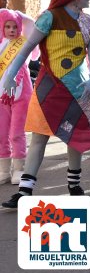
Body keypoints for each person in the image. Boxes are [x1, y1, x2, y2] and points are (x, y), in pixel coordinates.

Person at [2, 0, 90, 208]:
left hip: (79, 88)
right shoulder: (49, 18)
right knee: (39, 138)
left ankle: (74, 185)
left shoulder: (89, 22)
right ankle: (24, 192)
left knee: (76, 137)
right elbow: (26, 49)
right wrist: (9, 75)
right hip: (49, 87)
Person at [0, 10, 39, 185]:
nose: (11, 30)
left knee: (16, 133)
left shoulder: (24, 44)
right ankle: (3, 170)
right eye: (7, 26)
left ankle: (19, 168)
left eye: (15, 26)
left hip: (20, 94)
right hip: (2, 96)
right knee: (1, 133)